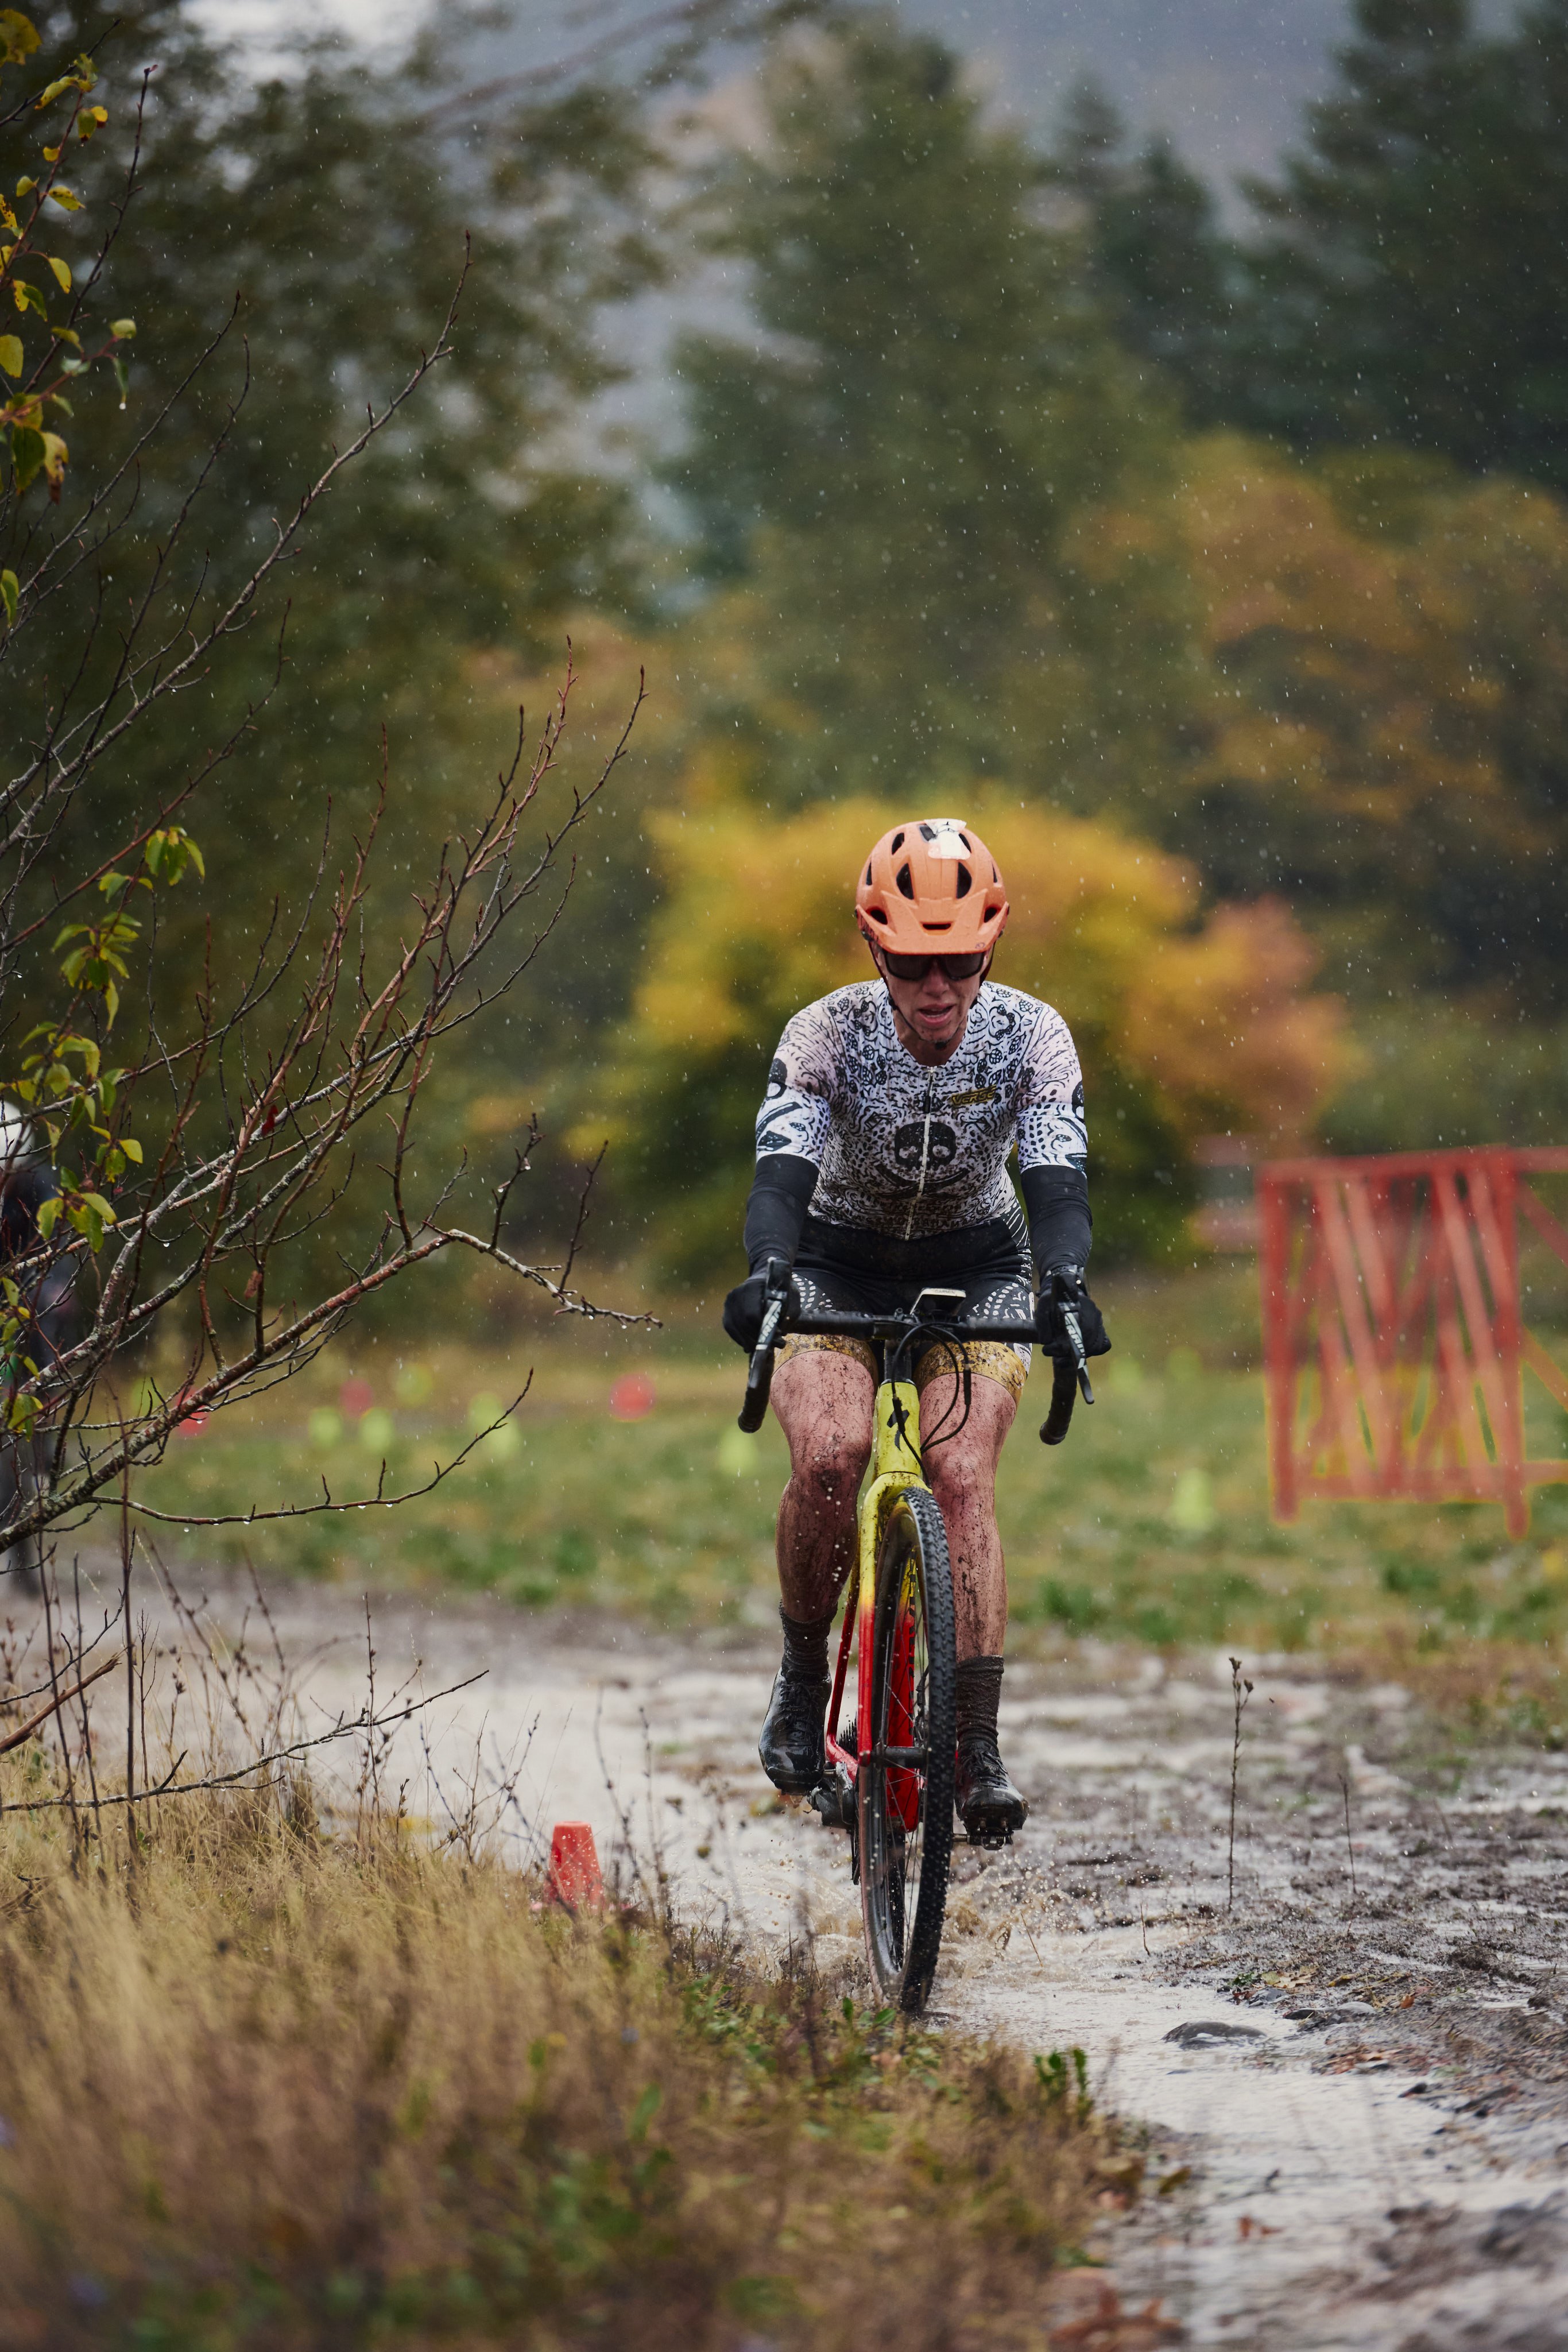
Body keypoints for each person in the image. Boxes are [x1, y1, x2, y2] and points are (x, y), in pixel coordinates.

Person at [723, 818, 1110, 1844]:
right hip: (833, 1257)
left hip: (974, 1264)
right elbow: (781, 1175)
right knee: (829, 1456)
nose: (936, 987)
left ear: (991, 946)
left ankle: (975, 1745)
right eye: (909, 963)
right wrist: (767, 1268)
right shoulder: (824, 1032)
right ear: (873, 948)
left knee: (963, 1475)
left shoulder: (1031, 1034)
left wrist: (1064, 1281)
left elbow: (1056, 1179)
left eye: (960, 962)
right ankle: (802, 1680)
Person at [0, 1106, 70, 1589]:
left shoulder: (41, 1189)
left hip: (31, 1307)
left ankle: (44, 1460)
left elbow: (62, 1245)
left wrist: (54, 1286)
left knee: (41, 1386)